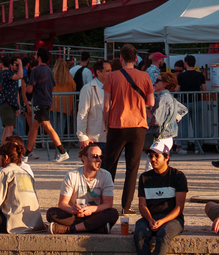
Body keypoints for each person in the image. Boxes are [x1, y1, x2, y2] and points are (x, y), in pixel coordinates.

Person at [101, 44, 155, 214]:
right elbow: (151, 102)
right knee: (132, 167)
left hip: (117, 124)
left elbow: (106, 105)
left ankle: (105, 202)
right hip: (138, 126)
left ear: (121, 58)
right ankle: (126, 206)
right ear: (136, 59)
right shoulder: (145, 76)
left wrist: (106, 125)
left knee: (109, 165)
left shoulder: (112, 76)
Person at [133, 140, 188, 255]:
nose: (153, 159)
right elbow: (142, 205)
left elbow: (179, 208)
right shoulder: (144, 178)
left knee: (164, 233)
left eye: (157, 156)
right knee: (139, 232)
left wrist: (162, 221)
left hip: (172, 219)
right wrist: (150, 219)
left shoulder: (177, 176)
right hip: (151, 217)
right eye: (151, 156)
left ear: (166, 157)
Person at [47, 142, 120, 234]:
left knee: (113, 213)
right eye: (95, 156)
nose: (99, 160)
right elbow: (62, 204)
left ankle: (70, 229)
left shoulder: (106, 175)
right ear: (84, 158)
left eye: (101, 157)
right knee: (51, 213)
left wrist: (92, 209)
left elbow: (108, 204)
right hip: (76, 215)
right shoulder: (72, 175)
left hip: (95, 214)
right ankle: (97, 228)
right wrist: (72, 209)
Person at [25, 48, 70, 162]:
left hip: (40, 101)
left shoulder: (36, 71)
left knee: (48, 128)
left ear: (39, 57)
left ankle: (63, 152)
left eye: (36, 55)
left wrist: (24, 88)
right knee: (35, 128)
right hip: (47, 101)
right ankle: (26, 154)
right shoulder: (50, 71)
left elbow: (30, 89)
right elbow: (52, 85)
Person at [150, 72, 188, 155]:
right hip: (168, 137)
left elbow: (157, 121)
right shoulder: (170, 97)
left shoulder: (162, 99)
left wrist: (148, 116)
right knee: (158, 165)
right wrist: (173, 118)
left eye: (157, 80)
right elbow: (183, 109)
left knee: (152, 165)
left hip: (160, 137)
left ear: (164, 84)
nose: (154, 83)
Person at [76, 59, 110, 147]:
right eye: (107, 71)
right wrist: (82, 136)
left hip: (110, 136)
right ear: (98, 72)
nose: (111, 73)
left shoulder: (114, 87)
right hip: (94, 138)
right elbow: (82, 113)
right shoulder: (88, 88)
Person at [0, 55, 26, 140]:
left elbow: (16, 91)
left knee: (8, 129)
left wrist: (18, 106)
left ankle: (2, 150)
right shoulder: (7, 73)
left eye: (18, 66)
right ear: (10, 65)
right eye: (16, 65)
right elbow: (20, 76)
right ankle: (5, 149)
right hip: (7, 104)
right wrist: (20, 63)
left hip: (12, 104)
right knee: (8, 129)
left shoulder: (12, 75)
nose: (18, 67)